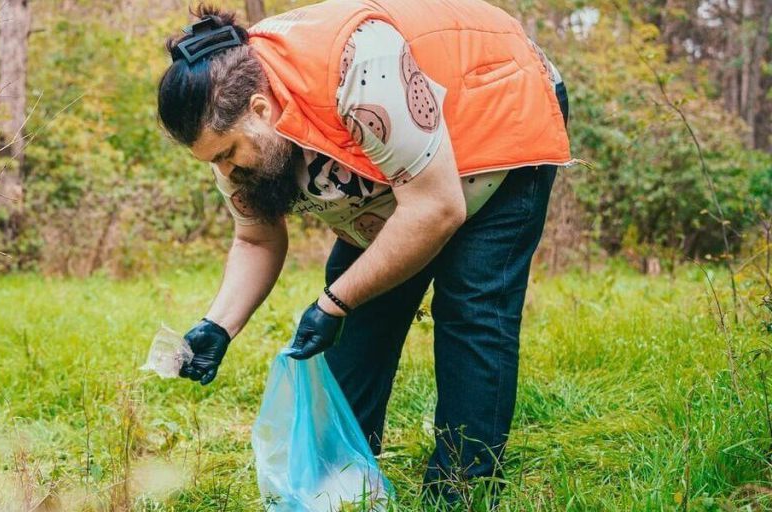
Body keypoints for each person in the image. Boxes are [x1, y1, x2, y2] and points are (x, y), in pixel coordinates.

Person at [156, 0, 571, 505]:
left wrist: (333, 301)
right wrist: (219, 324)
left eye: (225, 155)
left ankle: (462, 489)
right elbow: (256, 237)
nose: (224, 172)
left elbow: (435, 209)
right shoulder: (229, 116)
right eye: (211, 161)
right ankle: (345, 486)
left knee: (472, 304)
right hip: (402, 167)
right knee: (357, 318)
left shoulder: (361, 69)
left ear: (261, 111)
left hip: (497, 105)